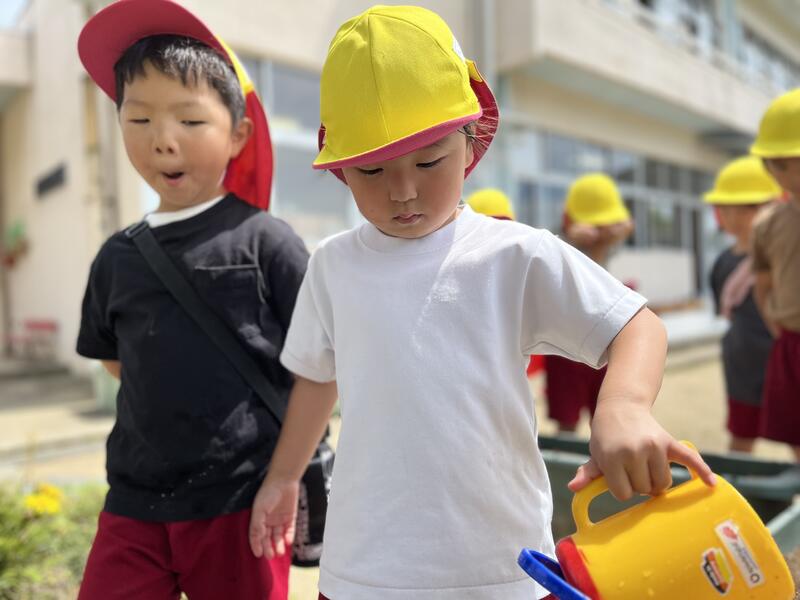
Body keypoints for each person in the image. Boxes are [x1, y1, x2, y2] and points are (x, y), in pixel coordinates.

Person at [248, 6, 714, 600]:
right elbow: (317, 379)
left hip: (503, 567)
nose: (403, 190)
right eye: (371, 170)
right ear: (339, 169)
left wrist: (623, 407)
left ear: (470, 142)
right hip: (363, 567)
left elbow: (636, 326)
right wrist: (285, 477)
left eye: (428, 160)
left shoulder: (512, 255)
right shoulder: (332, 265)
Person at [74, 1, 308, 598]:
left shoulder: (267, 242)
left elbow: (321, 368)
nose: (163, 141)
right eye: (139, 118)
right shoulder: (117, 256)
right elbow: (119, 361)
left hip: (241, 503)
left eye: (190, 120)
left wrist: (284, 477)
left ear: (238, 135)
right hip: (133, 503)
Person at [545, 173, 634, 433]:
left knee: (605, 419)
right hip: (564, 341)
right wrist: (568, 236)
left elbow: (627, 225)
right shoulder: (559, 244)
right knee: (566, 419)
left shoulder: (610, 242)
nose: (597, 233)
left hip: (601, 335)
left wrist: (618, 230)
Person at [704, 156, 779, 454]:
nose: (728, 216)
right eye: (724, 208)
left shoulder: (784, 253)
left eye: (739, 208)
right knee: (742, 433)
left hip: (781, 354)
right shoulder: (722, 262)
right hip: (742, 359)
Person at [749, 88, 800, 462]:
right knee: (794, 429)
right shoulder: (767, 223)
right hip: (791, 339)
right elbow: (763, 285)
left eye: (791, 161)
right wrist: (776, 328)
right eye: (776, 163)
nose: (784, 172)